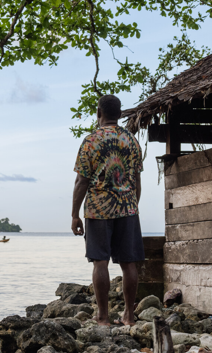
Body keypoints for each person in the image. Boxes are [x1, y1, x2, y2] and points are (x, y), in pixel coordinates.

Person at [71, 94, 144, 327]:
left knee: (100, 263)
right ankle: (129, 317)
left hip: (98, 209)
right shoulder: (131, 140)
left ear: (98, 113)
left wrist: (74, 214)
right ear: (120, 114)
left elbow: (81, 181)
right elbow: (137, 180)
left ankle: (103, 317)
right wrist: (132, 206)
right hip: (127, 208)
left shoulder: (91, 141)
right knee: (128, 263)